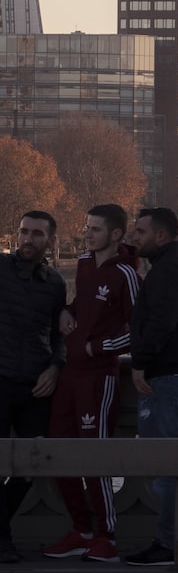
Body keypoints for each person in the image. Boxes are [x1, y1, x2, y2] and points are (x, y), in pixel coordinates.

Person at [43, 204, 139, 563]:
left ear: (115, 235)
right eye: (86, 227)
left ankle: (106, 537)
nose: (87, 234)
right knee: (58, 450)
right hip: (69, 373)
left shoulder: (127, 275)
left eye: (95, 229)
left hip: (100, 377)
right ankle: (81, 530)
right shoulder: (84, 263)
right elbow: (80, 305)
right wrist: (67, 311)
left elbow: (139, 333)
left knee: (93, 457)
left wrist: (97, 347)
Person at [122, 208, 178, 568]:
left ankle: (170, 543)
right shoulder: (177, 266)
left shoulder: (167, 272)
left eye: (140, 231)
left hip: (169, 378)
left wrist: (140, 361)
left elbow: (161, 322)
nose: (133, 237)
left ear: (160, 236)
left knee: (168, 467)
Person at [1, 211, 67, 565]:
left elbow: (58, 336)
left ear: (50, 241)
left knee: (32, 466)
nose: (28, 239)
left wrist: (56, 367)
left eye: (37, 234)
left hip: (36, 387)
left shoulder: (55, 283)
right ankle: (3, 541)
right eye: (24, 231)